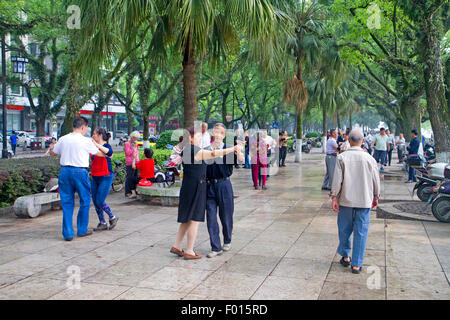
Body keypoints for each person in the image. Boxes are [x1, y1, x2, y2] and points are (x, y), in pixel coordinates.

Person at [170, 127, 240, 260]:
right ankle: (190, 250)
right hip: (196, 188)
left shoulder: (188, 150)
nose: (199, 139)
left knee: (186, 220)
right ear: (190, 138)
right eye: (197, 136)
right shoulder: (193, 150)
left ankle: (177, 246)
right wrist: (232, 149)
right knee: (194, 220)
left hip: (191, 187)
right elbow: (213, 155)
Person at [331, 129, 380, 274]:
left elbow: (337, 180)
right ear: (362, 141)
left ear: (349, 140)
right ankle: (357, 264)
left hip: (346, 199)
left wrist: (334, 197)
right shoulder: (369, 158)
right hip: (364, 200)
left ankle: (346, 257)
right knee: (361, 231)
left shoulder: (342, 158)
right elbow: (376, 180)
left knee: (344, 229)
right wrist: (376, 196)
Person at [50, 116, 105, 241]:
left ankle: (68, 233)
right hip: (80, 172)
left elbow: (54, 152)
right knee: (85, 200)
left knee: (67, 202)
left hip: (65, 171)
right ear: (83, 127)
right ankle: (82, 229)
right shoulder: (85, 141)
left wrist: (52, 147)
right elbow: (99, 153)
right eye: (86, 128)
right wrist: (106, 152)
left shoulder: (63, 139)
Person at [205, 123, 244, 258]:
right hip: (209, 187)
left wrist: (239, 151)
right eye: (216, 132)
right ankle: (215, 247)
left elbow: (241, 160)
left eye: (221, 132)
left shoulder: (229, 149)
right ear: (212, 133)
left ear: (224, 135)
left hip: (224, 185)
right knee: (210, 217)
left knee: (226, 216)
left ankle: (227, 240)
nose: (218, 135)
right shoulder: (206, 150)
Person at [90, 128, 119, 232]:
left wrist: (96, 145)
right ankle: (102, 222)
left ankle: (112, 217)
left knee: (100, 200)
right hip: (95, 176)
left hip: (105, 177)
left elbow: (109, 152)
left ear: (100, 135)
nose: (93, 136)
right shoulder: (93, 147)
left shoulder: (106, 146)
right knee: (95, 201)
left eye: (94, 134)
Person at [124, 131, 140, 198]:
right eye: (135, 138)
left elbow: (137, 152)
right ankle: (128, 191)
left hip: (136, 162)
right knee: (129, 177)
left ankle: (134, 190)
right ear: (132, 137)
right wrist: (133, 148)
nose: (136, 140)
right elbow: (127, 153)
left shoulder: (136, 144)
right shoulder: (127, 144)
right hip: (130, 162)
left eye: (137, 139)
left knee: (135, 177)